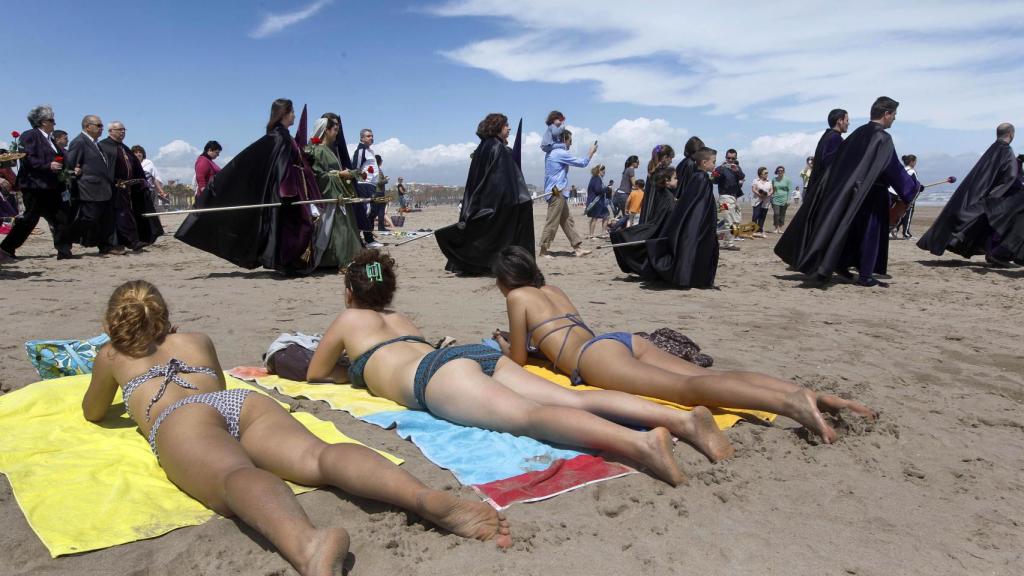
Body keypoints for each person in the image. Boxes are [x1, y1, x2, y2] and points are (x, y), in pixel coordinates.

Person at [83, 280, 512, 575]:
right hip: (239, 402)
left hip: (182, 417)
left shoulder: (111, 355)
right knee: (319, 455)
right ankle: (422, 496)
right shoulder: (196, 339)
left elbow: (93, 410)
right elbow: (213, 380)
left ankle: (307, 544)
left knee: (235, 475)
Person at [308, 251, 734, 486]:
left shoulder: (348, 321)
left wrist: (355, 371)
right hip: (468, 356)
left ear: (350, 291)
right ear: (388, 290)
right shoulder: (403, 322)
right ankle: (681, 419)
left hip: (434, 378)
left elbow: (317, 372)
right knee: (571, 398)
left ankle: (640, 445)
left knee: (529, 418)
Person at [493, 246, 876, 444]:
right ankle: (812, 395)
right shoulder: (552, 289)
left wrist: (504, 342)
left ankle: (789, 404)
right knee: (704, 378)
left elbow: (521, 358)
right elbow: (561, 333)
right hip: (619, 341)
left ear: (506, 280)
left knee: (687, 391)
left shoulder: (517, 298)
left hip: (593, 359)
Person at [775, 97, 920, 287]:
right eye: (894, 115)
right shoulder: (882, 138)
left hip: (849, 193)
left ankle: (840, 264)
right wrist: (912, 187)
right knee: (870, 231)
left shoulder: (857, 133)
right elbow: (892, 168)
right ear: (886, 114)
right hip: (871, 194)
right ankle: (865, 274)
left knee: (849, 230)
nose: (894, 119)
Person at [176, 98, 323, 274]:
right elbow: (278, 166)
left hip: (292, 189)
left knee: (294, 226)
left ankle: (291, 262)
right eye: (292, 112)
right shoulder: (278, 136)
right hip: (286, 191)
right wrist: (286, 189)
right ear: (283, 114)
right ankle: (289, 263)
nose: (294, 115)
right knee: (294, 226)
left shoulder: (284, 135)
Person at [435, 113, 535, 275]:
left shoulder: (483, 147)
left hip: (480, 202)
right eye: (505, 125)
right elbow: (502, 183)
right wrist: (521, 199)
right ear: (497, 127)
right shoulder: (496, 147)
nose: (509, 128)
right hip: (492, 204)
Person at [614, 149, 720, 288]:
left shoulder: (698, 177)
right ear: (705, 163)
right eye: (713, 161)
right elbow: (699, 206)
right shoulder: (701, 178)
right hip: (700, 225)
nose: (715, 164)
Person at [916, 123, 1018, 264]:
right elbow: (1010, 176)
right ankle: (994, 255)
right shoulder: (1006, 152)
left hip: (982, 197)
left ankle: (991, 254)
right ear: (1011, 134)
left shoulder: (991, 152)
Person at [0, 105, 76, 262]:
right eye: (52, 120)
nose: (54, 123)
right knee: (30, 218)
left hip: (53, 185)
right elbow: (27, 158)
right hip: (35, 185)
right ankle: (7, 248)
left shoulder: (51, 139)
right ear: (42, 122)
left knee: (61, 216)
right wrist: (47, 165)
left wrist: (72, 168)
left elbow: (62, 156)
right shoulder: (30, 136)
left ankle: (64, 250)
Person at [306, 115, 362, 268]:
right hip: (330, 196)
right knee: (338, 230)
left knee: (342, 229)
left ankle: (342, 259)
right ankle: (339, 260)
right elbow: (318, 175)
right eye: (335, 130)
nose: (337, 133)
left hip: (338, 193)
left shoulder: (329, 150)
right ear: (326, 130)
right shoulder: (317, 151)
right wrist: (339, 174)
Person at [99, 121, 164, 250]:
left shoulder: (124, 148)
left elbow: (135, 167)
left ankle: (132, 240)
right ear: (110, 131)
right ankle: (121, 242)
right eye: (119, 130)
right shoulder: (104, 146)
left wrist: (141, 182)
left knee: (127, 215)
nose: (122, 132)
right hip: (112, 188)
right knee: (117, 216)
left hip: (127, 189)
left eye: (124, 130)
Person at [65, 115, 124, 256]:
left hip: (104, 188)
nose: (101, 128)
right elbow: (69, 165)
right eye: (98, 125)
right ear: (87, 126)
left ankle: (107, 246)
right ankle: (65, 238)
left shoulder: (96, 144)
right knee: (89, 218)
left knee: (106, 220)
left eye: (102, 125)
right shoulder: (79, 142)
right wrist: (75, 173)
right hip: (88, 188)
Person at [539, 129, 595, 258]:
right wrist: (591, 152)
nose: (571, 144)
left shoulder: (552, 152)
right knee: (552, 221)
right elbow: (582, 163)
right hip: (556, 192)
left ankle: (577, 248)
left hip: (558, 192)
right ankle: (543, 250)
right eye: (570, 141)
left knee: (567, 221)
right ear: (564, 139)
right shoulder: (559, 153)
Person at [352, 128, 383, 248]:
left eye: (372, 136)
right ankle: (367, 240)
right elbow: (355, 168)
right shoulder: (360, 150)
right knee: (367, 211)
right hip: (364, 185)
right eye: (368, 136)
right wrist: (359, 181)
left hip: (372, 185)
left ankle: (367, 238)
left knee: (373, 210)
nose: (371, 138)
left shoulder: (370, 151)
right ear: (362, 138)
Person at [713, 149, 745, 250]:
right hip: (724, 198)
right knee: (728, 220)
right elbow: (713, 180)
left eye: (733, 158)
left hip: (734, 198)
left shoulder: (737, 168)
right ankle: (729, 243)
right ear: (726, 157)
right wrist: (718, 173)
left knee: (736, 220)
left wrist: (736, 170)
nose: (730, 160)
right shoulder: (720, 168)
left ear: (736, 158)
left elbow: (742, 177)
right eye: (729, 158)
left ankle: (727, 239)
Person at [638, 144, 676, 224]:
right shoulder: (661, 173)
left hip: (648, 213)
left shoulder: (652, 171)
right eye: (671, 158)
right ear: (665, 157)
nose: (671, 161)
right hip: (655, 215)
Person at [892, 155, 919, 239]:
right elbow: (915, 185)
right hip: (903, 195)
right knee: (909, 211)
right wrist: (920, 188)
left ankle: (894, 229)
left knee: (899, 213)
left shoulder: (902, 170)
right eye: (915, 161)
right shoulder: (911, 171)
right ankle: (906, 234)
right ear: (912, 162)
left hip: (895, 194)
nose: (915, 163)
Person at [585, 164, 610, 238]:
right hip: (596, 202)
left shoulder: (594, 178)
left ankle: (603, 234)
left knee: (606, 216)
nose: (604, 172)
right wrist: (607, 189)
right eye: (603, 171)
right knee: (594, 218)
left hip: (599, 202)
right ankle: (591, 235)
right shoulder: (597, 178)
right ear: (599, 171)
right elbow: (598, 190)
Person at [750, 167, 772, 237]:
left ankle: (760, 230)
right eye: (765, 173)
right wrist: (759, 194)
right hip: (757, 200)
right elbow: (753, 189)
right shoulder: (756, 180)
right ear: (760, 174)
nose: (767, 174)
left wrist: (768, 194)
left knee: (762, 216)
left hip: (766, 201)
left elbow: (772, 189)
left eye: (767, 173)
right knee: (756, 215)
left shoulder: (769, 181)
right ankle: (753, 230)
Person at [770, 166, 793, 233]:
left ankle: (780, 228)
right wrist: (771, 197)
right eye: (779, 170)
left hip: (784, 199)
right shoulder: (774, 179)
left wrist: (788, 200)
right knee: (776, 213)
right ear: (777, 171)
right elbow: (772, 189)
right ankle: (776, 227)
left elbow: (790, 190)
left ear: (784, 171)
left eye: (782, 170)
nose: (780, 171)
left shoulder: (787, 180)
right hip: (775, 199)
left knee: (782, 214)